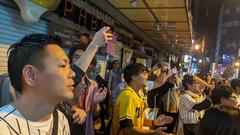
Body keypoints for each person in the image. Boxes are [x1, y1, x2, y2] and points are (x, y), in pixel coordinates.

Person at [0, 34, 75, 135]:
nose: (72, 73)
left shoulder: (61, 120)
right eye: (62, 65)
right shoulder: (4, 127)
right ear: (30, 75)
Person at [110, 63, 173, 135]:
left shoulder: (138, 95)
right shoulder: (127, 96)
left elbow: (138, 119)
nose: (147, 76)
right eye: (144, 74)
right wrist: (152, 133)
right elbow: (127, 128)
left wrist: (154, 122)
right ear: (134, 77)